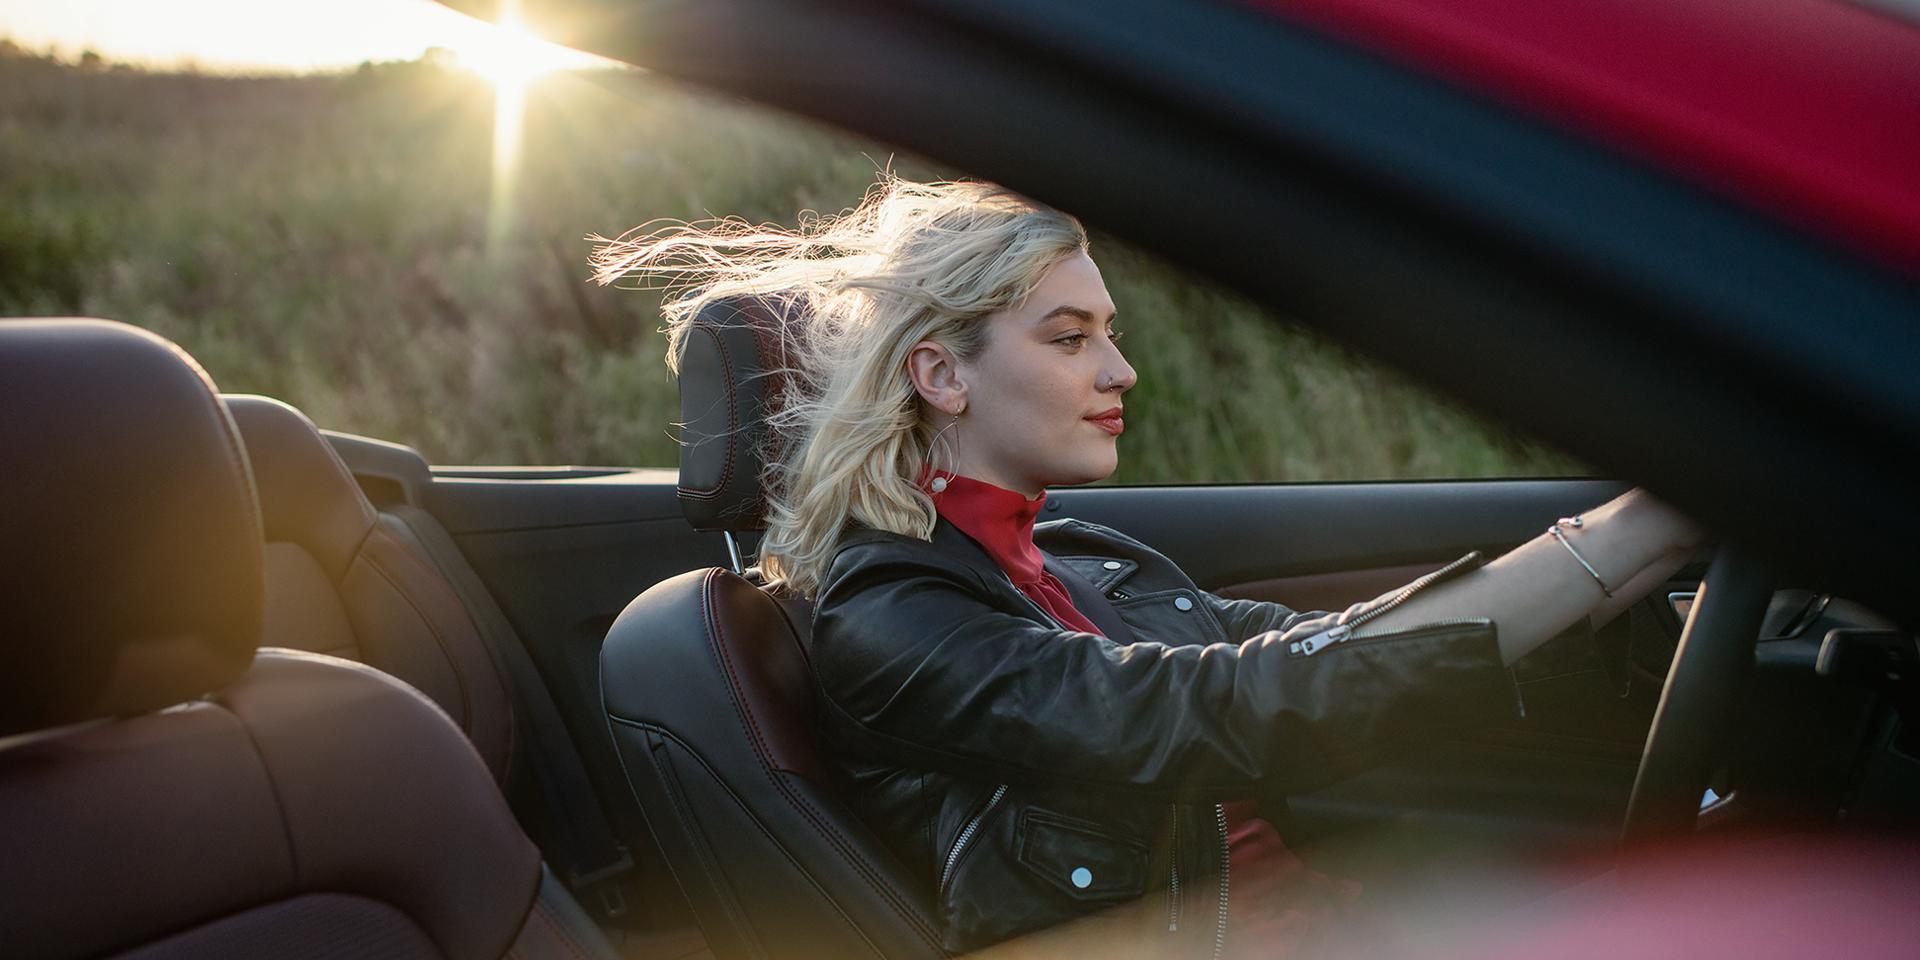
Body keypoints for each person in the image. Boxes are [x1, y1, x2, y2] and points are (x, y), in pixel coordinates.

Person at [594, 177, 1704, 958]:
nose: (1120, 368)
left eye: (1109, 331)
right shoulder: (891, 615)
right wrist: (1638, 530)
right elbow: (1235, 704)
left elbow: (1303, 643)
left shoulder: (1074, 558)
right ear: (941, 372)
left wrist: (1658, 618)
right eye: (1069, 337)